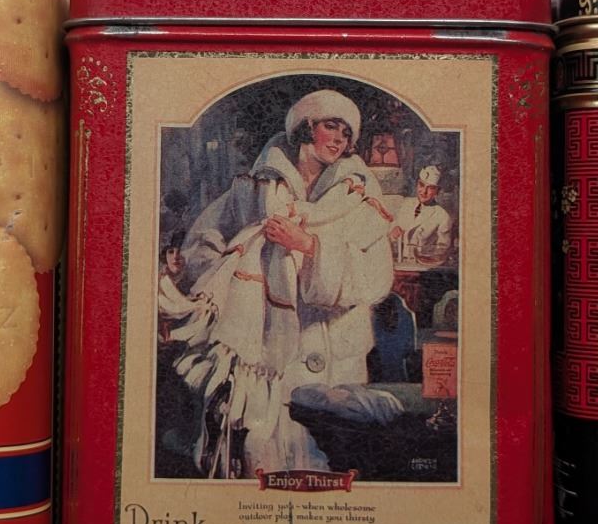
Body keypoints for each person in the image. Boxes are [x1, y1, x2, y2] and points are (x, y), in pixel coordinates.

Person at [172, 88, 396, 476]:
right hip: (268, 358)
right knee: (263, 460)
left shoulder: (361, 198)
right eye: (331, 126)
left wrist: (309, 246)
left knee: (329, 467)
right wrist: (229, 269)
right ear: (306, 128)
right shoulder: (254, 188)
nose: (339, 139)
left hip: (335, 358)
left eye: (346, 133)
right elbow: (203, 241)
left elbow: (377, 278)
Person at [390, 165, 454, 268]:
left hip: (423, 267)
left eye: (430, 188)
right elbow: (391, 231)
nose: (424, 192)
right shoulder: (406, 204)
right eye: (421, 185)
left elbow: (442, 251)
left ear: (437, 191)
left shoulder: (443, 216)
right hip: (400, 264)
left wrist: (424, 253)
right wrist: (393, 231)